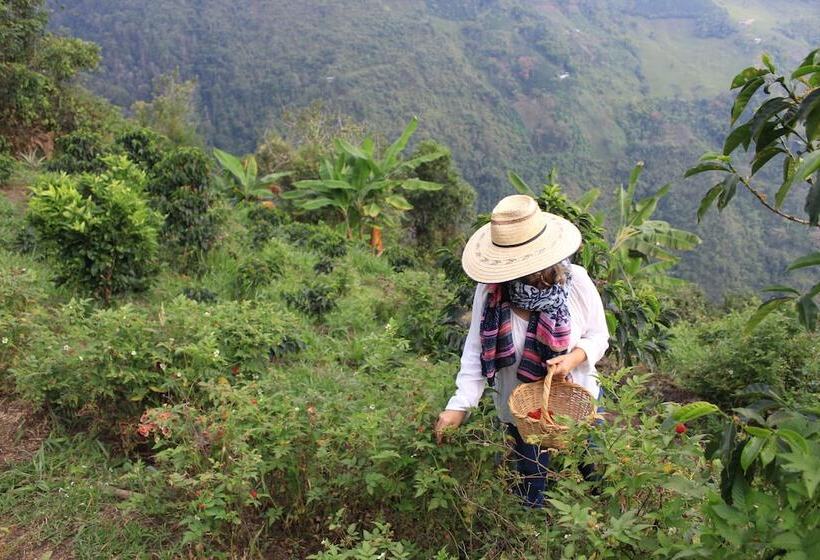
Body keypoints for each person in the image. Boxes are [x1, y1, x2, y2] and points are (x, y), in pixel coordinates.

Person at [434, 194, 609, 508]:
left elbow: (599, 335)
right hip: (522, 411)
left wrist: (572, 359)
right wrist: (458, 406)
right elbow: (475, 349)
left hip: (578, 402)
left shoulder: (576, 282)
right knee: (532, 486)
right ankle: (536, 539)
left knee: (593, 476)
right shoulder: (491, 292)